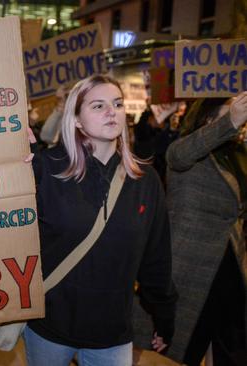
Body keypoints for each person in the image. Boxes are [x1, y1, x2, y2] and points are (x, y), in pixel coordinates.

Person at [23, 75, 178, 365]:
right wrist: (14, 163)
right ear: (77, 120)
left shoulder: (145, 181)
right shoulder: (47, 168)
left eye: (117, 104)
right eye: (98, 106)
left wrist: (164, 316)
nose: (112, 111)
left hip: (112, 334)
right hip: (49, 328)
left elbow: (156, 259)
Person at [158, 93, 247, 365]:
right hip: (192, 267)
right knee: (182, 349)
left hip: (230, 265)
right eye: (232, 110)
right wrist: (230, 121)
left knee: (232, 348)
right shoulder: (189, 150)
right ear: (209, 118)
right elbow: (177, 156)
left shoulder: (239, 155)